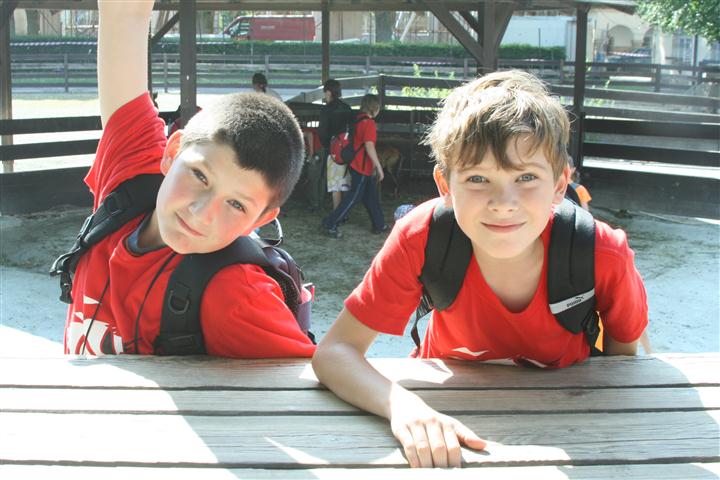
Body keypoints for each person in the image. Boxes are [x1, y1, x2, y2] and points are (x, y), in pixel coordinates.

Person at [312, 70, 648, 467]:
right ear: (445, 185)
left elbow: (622, 364)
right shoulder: (421, 236)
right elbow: (334, 352)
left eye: (526, 176)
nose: (503, 202)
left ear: (560, 184)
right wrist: (403, 408)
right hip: (441, 423)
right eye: (477, 178)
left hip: (567, 425)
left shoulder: (601, 252)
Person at [61, 0, 315, 359]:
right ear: (172, 152)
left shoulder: (237, 296)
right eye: (199, 175)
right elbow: (124, 14)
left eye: (236, 204)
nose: (200, 213)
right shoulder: (131, 175)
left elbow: (309, 382)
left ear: (260, 220)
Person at [321, 94, 387, 238]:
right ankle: (331, 223)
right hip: (362, 166)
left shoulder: (357, 119)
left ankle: (379, 224)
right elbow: (369, 146)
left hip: (355, 163)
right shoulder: (369, 123)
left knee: (370, 196)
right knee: (353, 198)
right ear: (375, 108)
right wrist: (378, 166)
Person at [317, 79, 353, 211]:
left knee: (335, 186)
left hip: (333, 151)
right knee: (347, 183)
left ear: (328, 92)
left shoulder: (326, 110)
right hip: (348, 151)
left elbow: (322, 132)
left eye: (325, 92)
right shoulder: (347, 108)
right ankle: (346, 212)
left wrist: (326, 145)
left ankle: (337, 213)